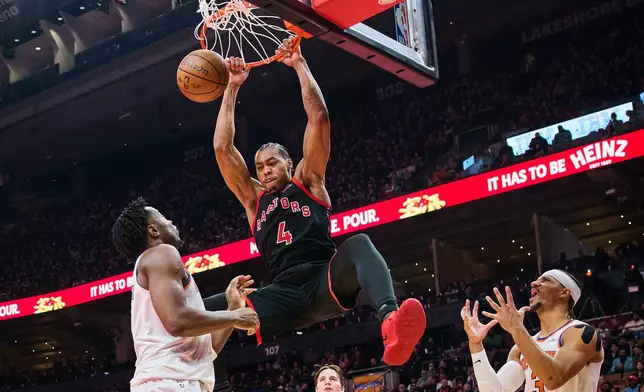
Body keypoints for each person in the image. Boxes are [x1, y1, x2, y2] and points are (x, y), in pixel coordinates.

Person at [205, 37, 426, 366]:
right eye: (260, 167)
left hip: (324, 280)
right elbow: (223, 149)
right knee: (200, 304)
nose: (265, 171)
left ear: (289, 164)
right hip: (281, 294)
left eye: (272, 163)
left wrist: (298, 63)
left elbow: (319, 118)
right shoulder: (254, 200)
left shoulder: (309, 181)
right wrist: (232, 88)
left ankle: (390, 323)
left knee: (360, 243)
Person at [111, 198, 260, 392]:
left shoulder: (154, 265)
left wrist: (232, 309)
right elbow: (176, 321)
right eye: (164, 218)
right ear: (153, 230)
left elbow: (206, 351)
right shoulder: (162, 253)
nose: (171, 222)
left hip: (178, 380)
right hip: (167, 382)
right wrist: (235, 317)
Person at [461, 269, 603, 392]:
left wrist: (517, 329)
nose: (534, 284)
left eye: (546, 280)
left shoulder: (581, 333)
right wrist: (476, 345)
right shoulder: (519, 349)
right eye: (536, 280)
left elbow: (553, 379)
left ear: (564, 292)